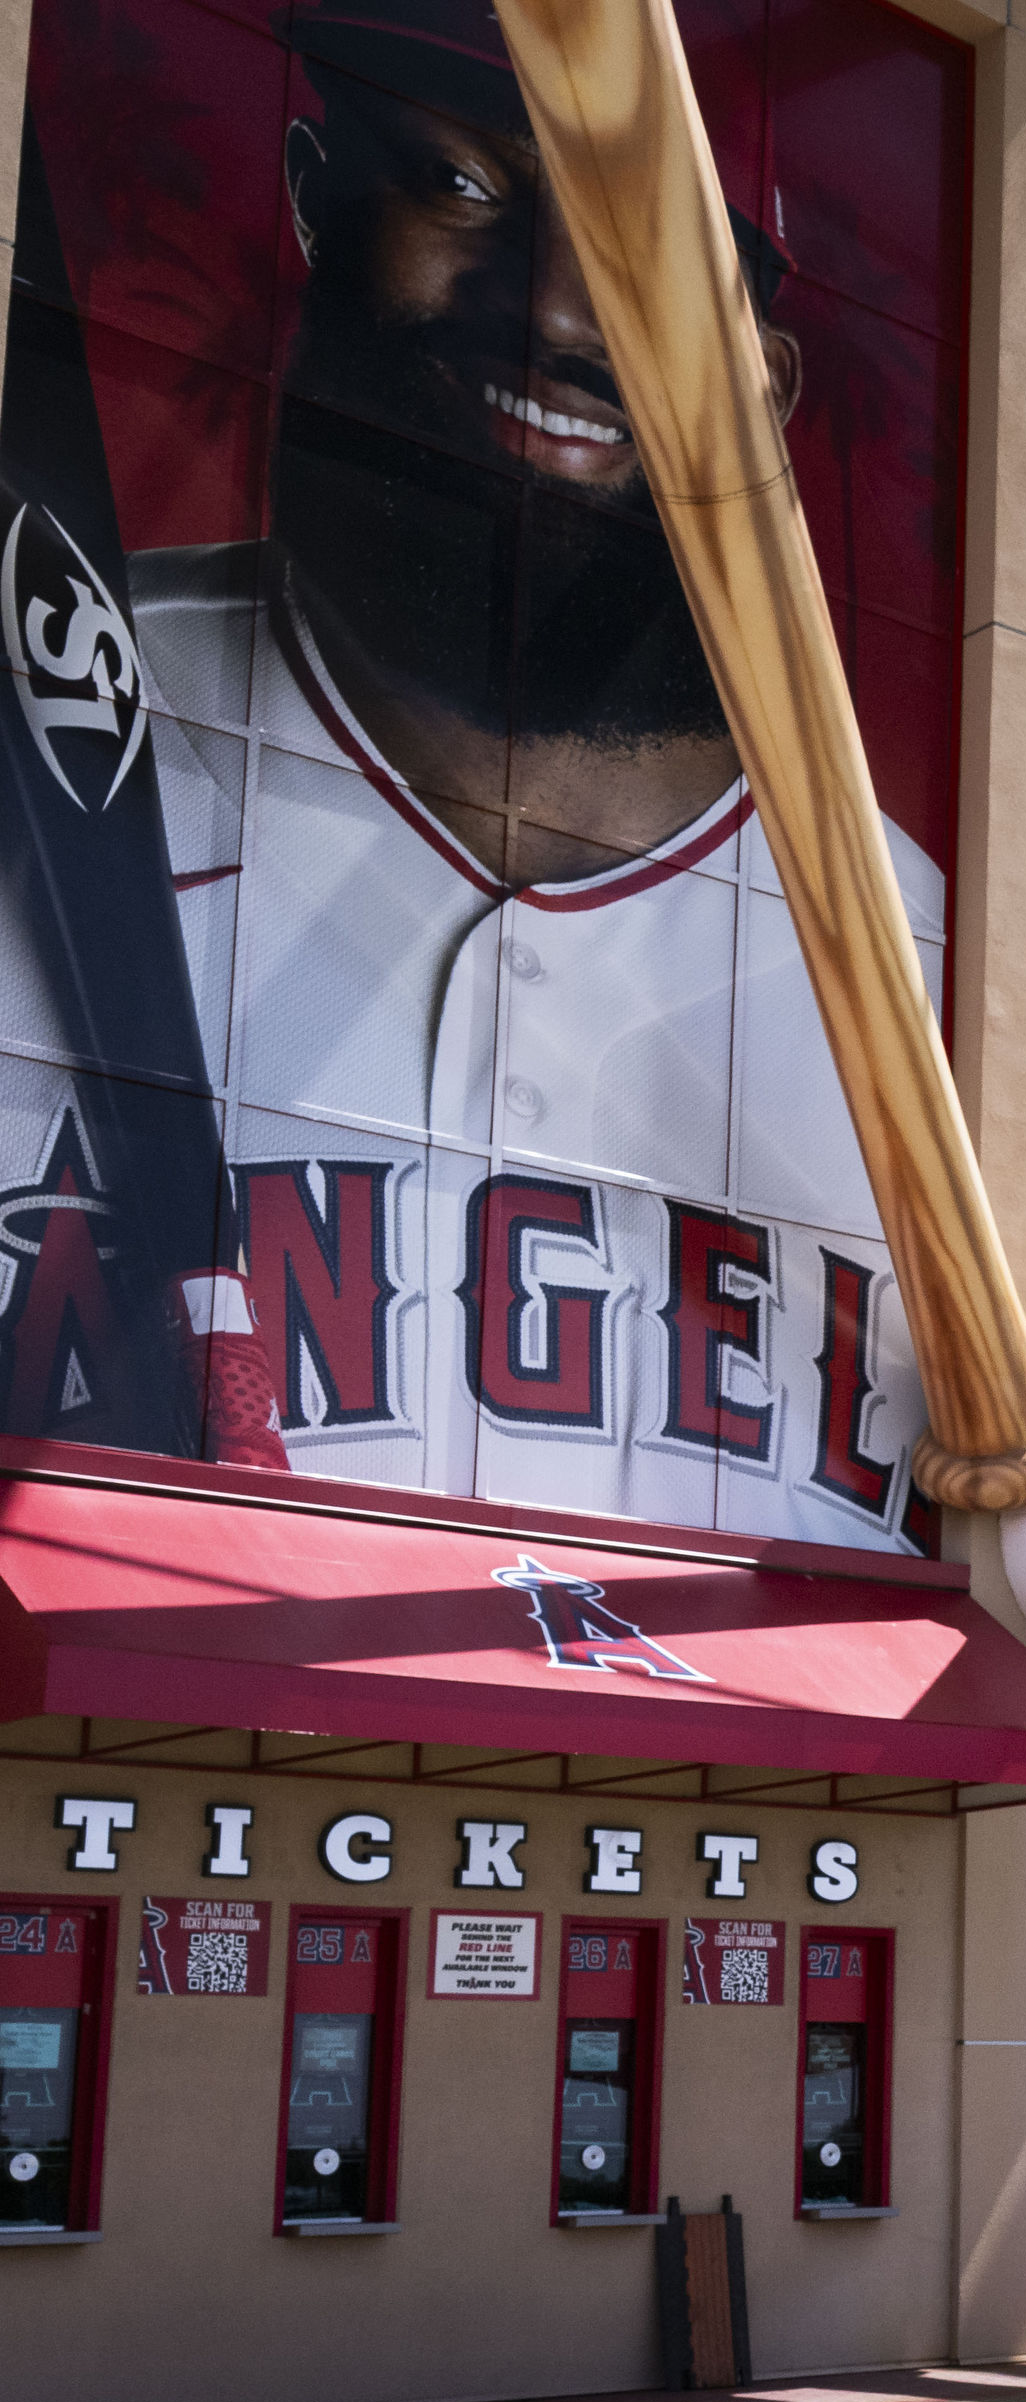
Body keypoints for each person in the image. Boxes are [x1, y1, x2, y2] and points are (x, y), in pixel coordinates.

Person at [61, 0, 939, 1545]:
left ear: (770, 388)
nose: (555, 311)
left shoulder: (922, 972)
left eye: (650, 245)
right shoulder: (62, 728)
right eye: (462, 188)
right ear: (315, 196)